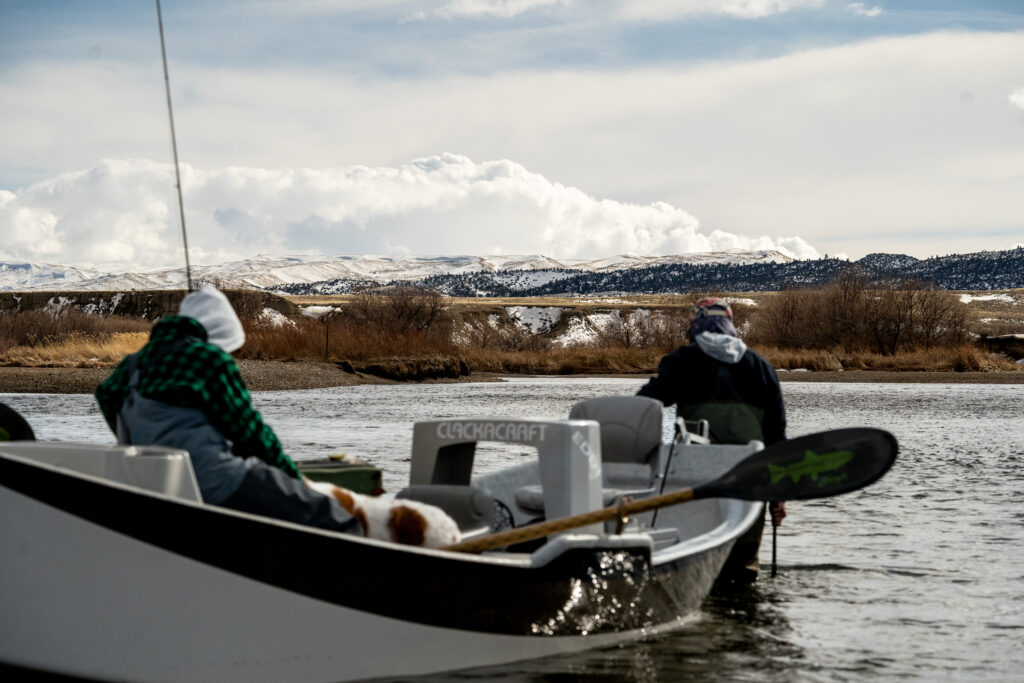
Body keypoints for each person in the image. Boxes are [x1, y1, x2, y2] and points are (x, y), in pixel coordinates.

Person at [95, 284, 360, 534]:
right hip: (216, 481)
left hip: (153, 487)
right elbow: (252, 434)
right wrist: (293, 480)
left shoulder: (131, 367)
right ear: (217, 336)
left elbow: (106, 395)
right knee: (330, 516)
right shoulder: (207, 359)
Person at [636, 296, 786, 582]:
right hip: (750, 483)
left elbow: (643, 408)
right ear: (730, 325)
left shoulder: (681, 362)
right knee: (742, 570)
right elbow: (776, 437)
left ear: (695, 327)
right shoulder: (762, 369)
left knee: (693, 562)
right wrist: (777, 497)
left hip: (695, 479)